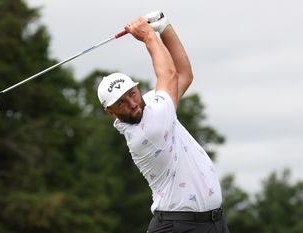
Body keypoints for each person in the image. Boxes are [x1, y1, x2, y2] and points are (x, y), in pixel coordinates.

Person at [97, 11, 230, 233]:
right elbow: (169, 76)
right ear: (111, 111)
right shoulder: (146, 133)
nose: (132, 103)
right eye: (121, 103)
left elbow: (183, 74)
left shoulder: (153, 105)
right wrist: (148, 36)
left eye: (132, 93)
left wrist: (164, 28)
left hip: (212, 223)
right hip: (178, 226)